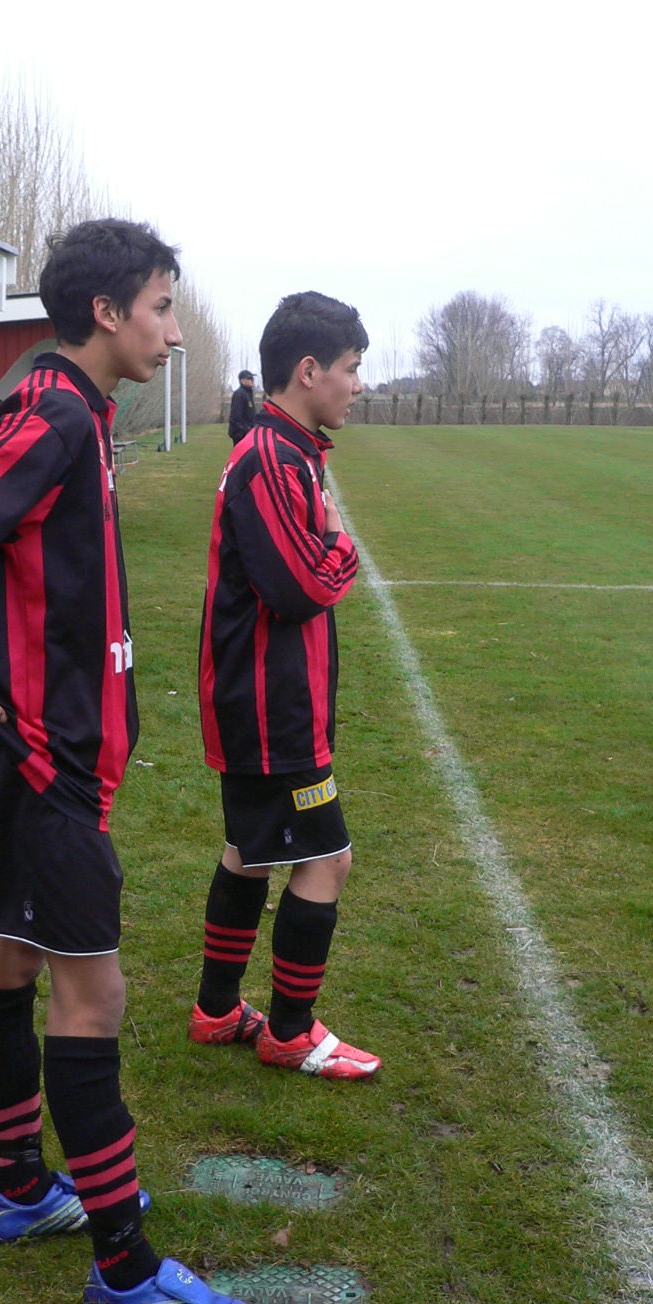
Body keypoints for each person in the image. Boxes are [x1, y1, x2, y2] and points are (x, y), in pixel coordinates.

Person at [0, 219, 269, 1304]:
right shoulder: (51, 415)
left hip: (34, 758)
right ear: (105, 311)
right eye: (160, 307)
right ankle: (126, 1272)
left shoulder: (78, 415)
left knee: (5, 958)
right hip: (45, 765)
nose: (172, 332)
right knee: (93, 999)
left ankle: (20, 1189)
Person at [190, 291, 381, 1082]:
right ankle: (291, 1033)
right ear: (308, 371)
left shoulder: (289, 451)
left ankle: (217, 1010)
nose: (358, 385)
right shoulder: (271, 457)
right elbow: (300, 588)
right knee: (327, 860)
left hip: (264, 700)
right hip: (270, 709)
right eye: (350, 368)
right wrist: (341, 546)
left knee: (249, 852)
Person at [227, 370, 256, 444]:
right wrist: (244, 430)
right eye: (249, 378)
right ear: (242, 381)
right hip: (241, 435)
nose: (252, 380)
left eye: (252, 378)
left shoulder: (249, 394)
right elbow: (236, 416)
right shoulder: (239, 394)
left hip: (248, 434)